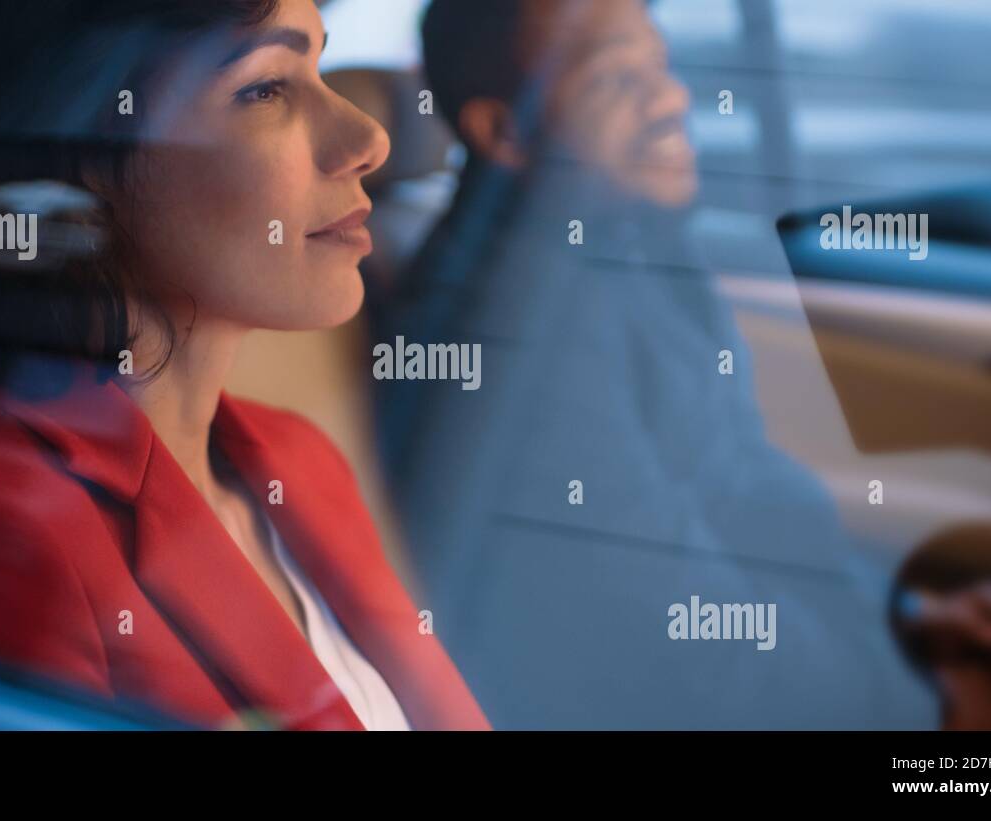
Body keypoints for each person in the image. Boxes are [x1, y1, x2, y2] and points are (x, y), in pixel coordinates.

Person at [0, 0, 489, 731]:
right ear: (84, 160)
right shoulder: (0, 516)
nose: (368, 137)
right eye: (265, 87)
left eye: (317, 65)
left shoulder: (298, 458)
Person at [369, 0, 939, 729]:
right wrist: (923, 707)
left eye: (660, 64)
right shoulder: (496, 340)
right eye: (615, 80)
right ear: (504, 131)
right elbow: (685, 635)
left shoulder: (629, 236)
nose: (671, 98)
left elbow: (748, 488)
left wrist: (915, 628)